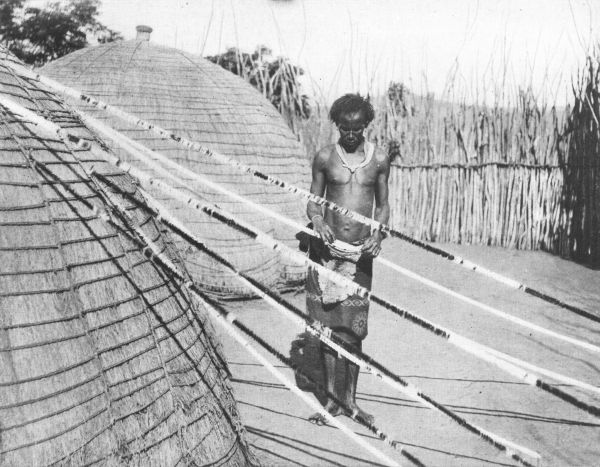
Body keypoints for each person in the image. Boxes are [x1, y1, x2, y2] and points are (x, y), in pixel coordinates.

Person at [305, 93, 390, 426]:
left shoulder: (379, 160)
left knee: (353, 330)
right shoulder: (325, 158)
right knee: (327, 327)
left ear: (365, 125)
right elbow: (314, 201)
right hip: (326, 254)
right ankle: (331, 401)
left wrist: (377, 234)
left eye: (357, 128)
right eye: (345, 127)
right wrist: (318, 221)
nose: (351, 133)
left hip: (359, 257)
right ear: (337, 125)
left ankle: (351, 401)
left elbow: (382, 206)